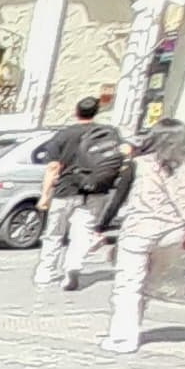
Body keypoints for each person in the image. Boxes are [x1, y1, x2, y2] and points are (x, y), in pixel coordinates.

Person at [103, 119, 185, 354]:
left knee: (128, 285)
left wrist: (102, 226)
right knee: (147, 285)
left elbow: (118, 198)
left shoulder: (139, 164)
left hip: (139, 229)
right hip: (174, 232)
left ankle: (123, 337)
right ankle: (133, 326)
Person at [34, 96, 125, 291]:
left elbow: (53, 167)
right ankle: (73, 267)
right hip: (96, 190)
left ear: (76, 112)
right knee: (82, 232)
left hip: (66, 189)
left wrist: (45, 195)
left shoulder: (64, 135)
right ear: (96, 112)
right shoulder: (108, 133)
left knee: (54, 233)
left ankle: (45, 272)